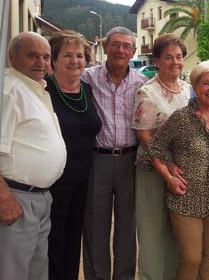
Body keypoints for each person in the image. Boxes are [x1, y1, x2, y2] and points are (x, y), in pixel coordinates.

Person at [147, 60, 209, 280]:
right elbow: (155, 149)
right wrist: (168, 176)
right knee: (191, 257)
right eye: (206, 83)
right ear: (194, 86)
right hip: (185, 197)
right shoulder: (181, 118)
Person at [0, 32, 66, 280]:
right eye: (32, 55)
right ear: (12, 57)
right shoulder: (8, 90)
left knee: (35, 270)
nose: (40, 62)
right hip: (16, 197)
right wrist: (3, 197)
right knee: (11, 272)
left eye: (45, 57)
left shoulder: (34, 88)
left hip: (39, 197)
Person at [82, 27, 148, 280]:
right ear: (105, 47)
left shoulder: (142, 83)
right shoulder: (87, 77)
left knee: (127, 227)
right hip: (98, 159)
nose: (121, 50)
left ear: (133, 51)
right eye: (116, 45)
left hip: (131, 160)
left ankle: (124, 276)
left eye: (126, 46)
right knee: (95, 226)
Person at [132, 34, 191, 280]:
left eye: (179, 57)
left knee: (176, 229)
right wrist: (166, 168)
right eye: (168, 57)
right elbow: (145, 137)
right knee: (153, 230)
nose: (175, 62)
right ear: (156, 60)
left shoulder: (188, 89)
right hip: (154, 167)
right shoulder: (147, 92)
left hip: (182, 167)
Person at [46, 31, 102, 280]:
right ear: (54, 59)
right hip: (52, 182)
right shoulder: (44, 89)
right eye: (67, 55)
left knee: (73, 237)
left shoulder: (87, 90)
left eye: (80, 55)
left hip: (82, 179)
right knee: (52, 240)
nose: (75, 60)